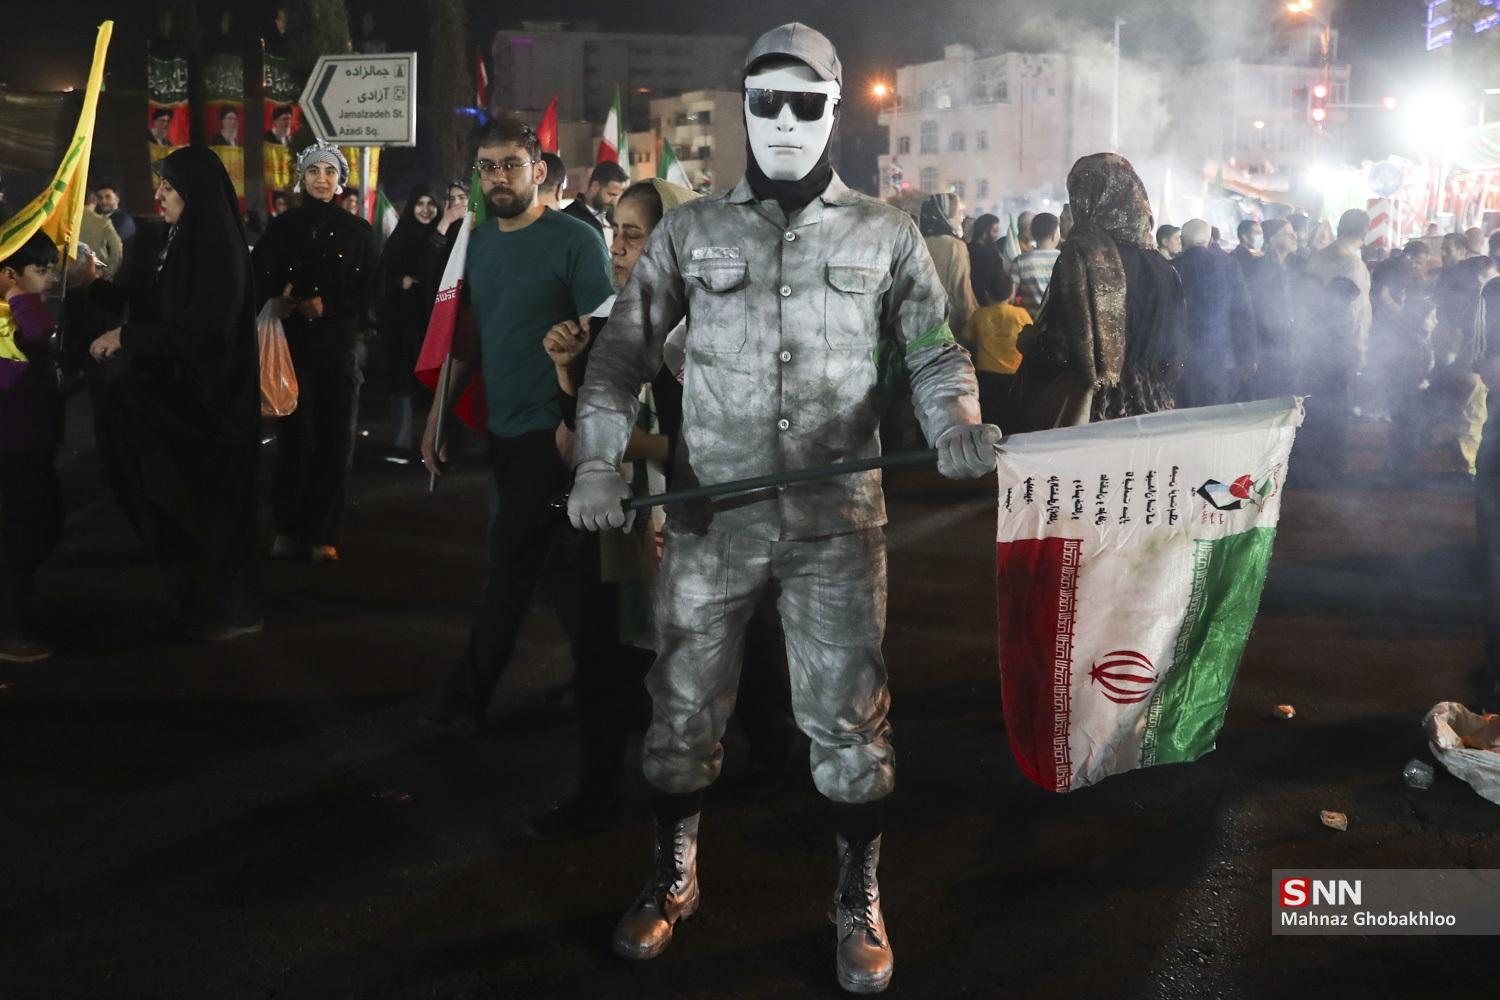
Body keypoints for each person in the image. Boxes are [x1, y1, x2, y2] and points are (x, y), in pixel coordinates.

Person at [569, 24, 998, 994]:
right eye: (767, 101)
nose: (787, 121)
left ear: (835, 109)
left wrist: (958, 421)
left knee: (850, 723)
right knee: (681, 710)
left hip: (836, 521)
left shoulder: (886, 234)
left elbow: (934, 351)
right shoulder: (691, 232)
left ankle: (858, 894)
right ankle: (673, 871)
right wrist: (598, 462)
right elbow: (621, 355)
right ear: (747, 107)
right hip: (713, 520)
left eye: (807, 103)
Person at [417, 119, 615, 740]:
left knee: (510, 567)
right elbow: (467, 339)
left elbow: (604, 338)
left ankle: (464, 698)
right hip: (502, 431)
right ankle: (610, 690)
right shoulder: (475, 244)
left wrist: (578, 424)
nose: (498, 177)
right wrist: (437, 418)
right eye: (488, 167)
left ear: (538, 170)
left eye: (510, 165)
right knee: (567, 576)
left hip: (552, 432)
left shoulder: (577, 241)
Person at [81, 146, 262, 639]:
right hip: (177, 395)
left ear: (194, 193)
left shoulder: (217, 250)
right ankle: (191, 597)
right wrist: (93, 285)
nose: (158, 194)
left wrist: (126, 337)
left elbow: (203, 334)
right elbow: (146, 301)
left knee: (208, 511)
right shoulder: (173, 239)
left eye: (169, 186)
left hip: (210, 406)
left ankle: (225, 609)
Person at [253, 141, 377, 562]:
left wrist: (331, 305)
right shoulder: (282, 227)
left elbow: (369, 290)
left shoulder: (358, 232)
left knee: (334, 443)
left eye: (329, 172)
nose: (321, 179)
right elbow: (258, 277)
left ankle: (323, 533)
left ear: (340, 180)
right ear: (301, 178)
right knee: (296, 443)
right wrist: (276, 298)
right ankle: (288, 528)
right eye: (313, 171)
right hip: (291, 351)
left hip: (338, 351)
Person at [1011, 153, 1184, 428]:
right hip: (1157, 412)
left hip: (1097, 418)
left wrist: (1031, 342)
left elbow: (1059, 349)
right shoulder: (1163, 266)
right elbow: (1176, 352)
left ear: (1089, 198)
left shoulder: (1082, 257)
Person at [0, 233, 63, 661]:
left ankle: (16, 610)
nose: (50, 278)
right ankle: (8, 629)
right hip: (13, 446)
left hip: (33, 443)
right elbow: (41, 331)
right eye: (41, 270)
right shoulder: (11, 314)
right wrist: (14, 293)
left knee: (45, 526)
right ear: (10, 274)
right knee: (19, 538)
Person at [376, 186, 439, 460]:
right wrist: (399, 282)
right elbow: (383, 277)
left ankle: (435, 445)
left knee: (436, 386)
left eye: (431, 204)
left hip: (434, 324)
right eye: (420, 204)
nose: (426, 210)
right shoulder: (400, 239)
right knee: (402, 383)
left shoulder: (442, 237)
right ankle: (400, 444)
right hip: (404, 326)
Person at [1171, 218, 1256, 406]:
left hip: (1182, 361)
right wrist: (1248, 355)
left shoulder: (1172, 267)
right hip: (1221, 359)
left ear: (1182, 241)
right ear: (1210, 241)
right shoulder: (1230, 265)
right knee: (1217, 415)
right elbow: (1242, 313)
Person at [966, 249, 1029, 425]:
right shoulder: (1020, 314)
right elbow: (1030, 338)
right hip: (1015, 372)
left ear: (987, 293)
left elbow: (966, 337)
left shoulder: (979, 314)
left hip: (986, 374)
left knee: (989, 414)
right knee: (1012, 414)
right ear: (1011, 293)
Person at [1305, 210, 1373, 368]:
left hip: (1313, 344)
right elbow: (1353, 313)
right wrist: (1360, 352)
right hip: (1341, 351)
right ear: (1364, 233)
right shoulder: (1352, 264)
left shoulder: (1317, 257)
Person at [1244, 217, 1298, 399]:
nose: (1295, 237)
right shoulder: (1255, 268)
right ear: (1273, 238)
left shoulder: (1298, 265)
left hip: (1294, 345)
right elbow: (1251, 311)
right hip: (1267, 347)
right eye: (1288, 234)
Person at [919, 192, 979, 341]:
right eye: (958, 213)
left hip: (917, 323)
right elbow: (961, 291)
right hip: (947, 326)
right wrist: (974, 323)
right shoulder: (955, 246)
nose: (962, 217)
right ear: (945, 216)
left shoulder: (917, 242)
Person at [562, 160, 628, 247]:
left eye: (618, 196)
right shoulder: (570, 218)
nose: (614, 202)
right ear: (595, 186)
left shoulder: (613, 217)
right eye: (611, 194)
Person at [1013, 211, 1061, 315]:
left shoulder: (1020, 261)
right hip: (1059, 320)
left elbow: (1011, 296)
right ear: (1054, 235)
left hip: (1030, 321)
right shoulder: (1063, 258)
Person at [95, 183, 136, 261]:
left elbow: (110, 249)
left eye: (108, 197)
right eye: (100, 198)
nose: (103, 201)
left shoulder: (123, 221)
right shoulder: (100, 218)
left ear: (117, 199)